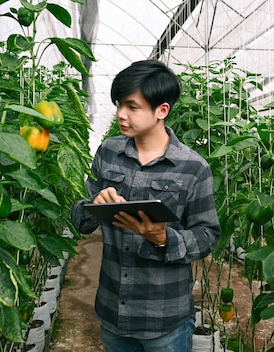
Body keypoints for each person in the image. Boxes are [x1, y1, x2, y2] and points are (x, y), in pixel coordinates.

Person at [70, 59, 221, 352]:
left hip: (163, 320)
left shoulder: (193, 168)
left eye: (132, 107)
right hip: (112, 310)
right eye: (118, 105)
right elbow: (79, 217)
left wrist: (164, 238)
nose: (121, 115)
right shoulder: (108, 153)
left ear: (162, 110)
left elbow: (208, 235)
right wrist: (92, 205)